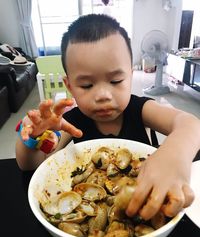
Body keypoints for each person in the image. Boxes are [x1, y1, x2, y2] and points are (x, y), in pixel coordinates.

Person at [16, 14, 200, 221]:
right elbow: (31, 166)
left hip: (148, 202)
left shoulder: (140, 109)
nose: (103, 95)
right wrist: (33, 139)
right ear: (69, 87)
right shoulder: (72, 121)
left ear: (130, 76)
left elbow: (192, 125)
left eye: (115, 80)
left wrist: (174, 157)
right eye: (86, 85)